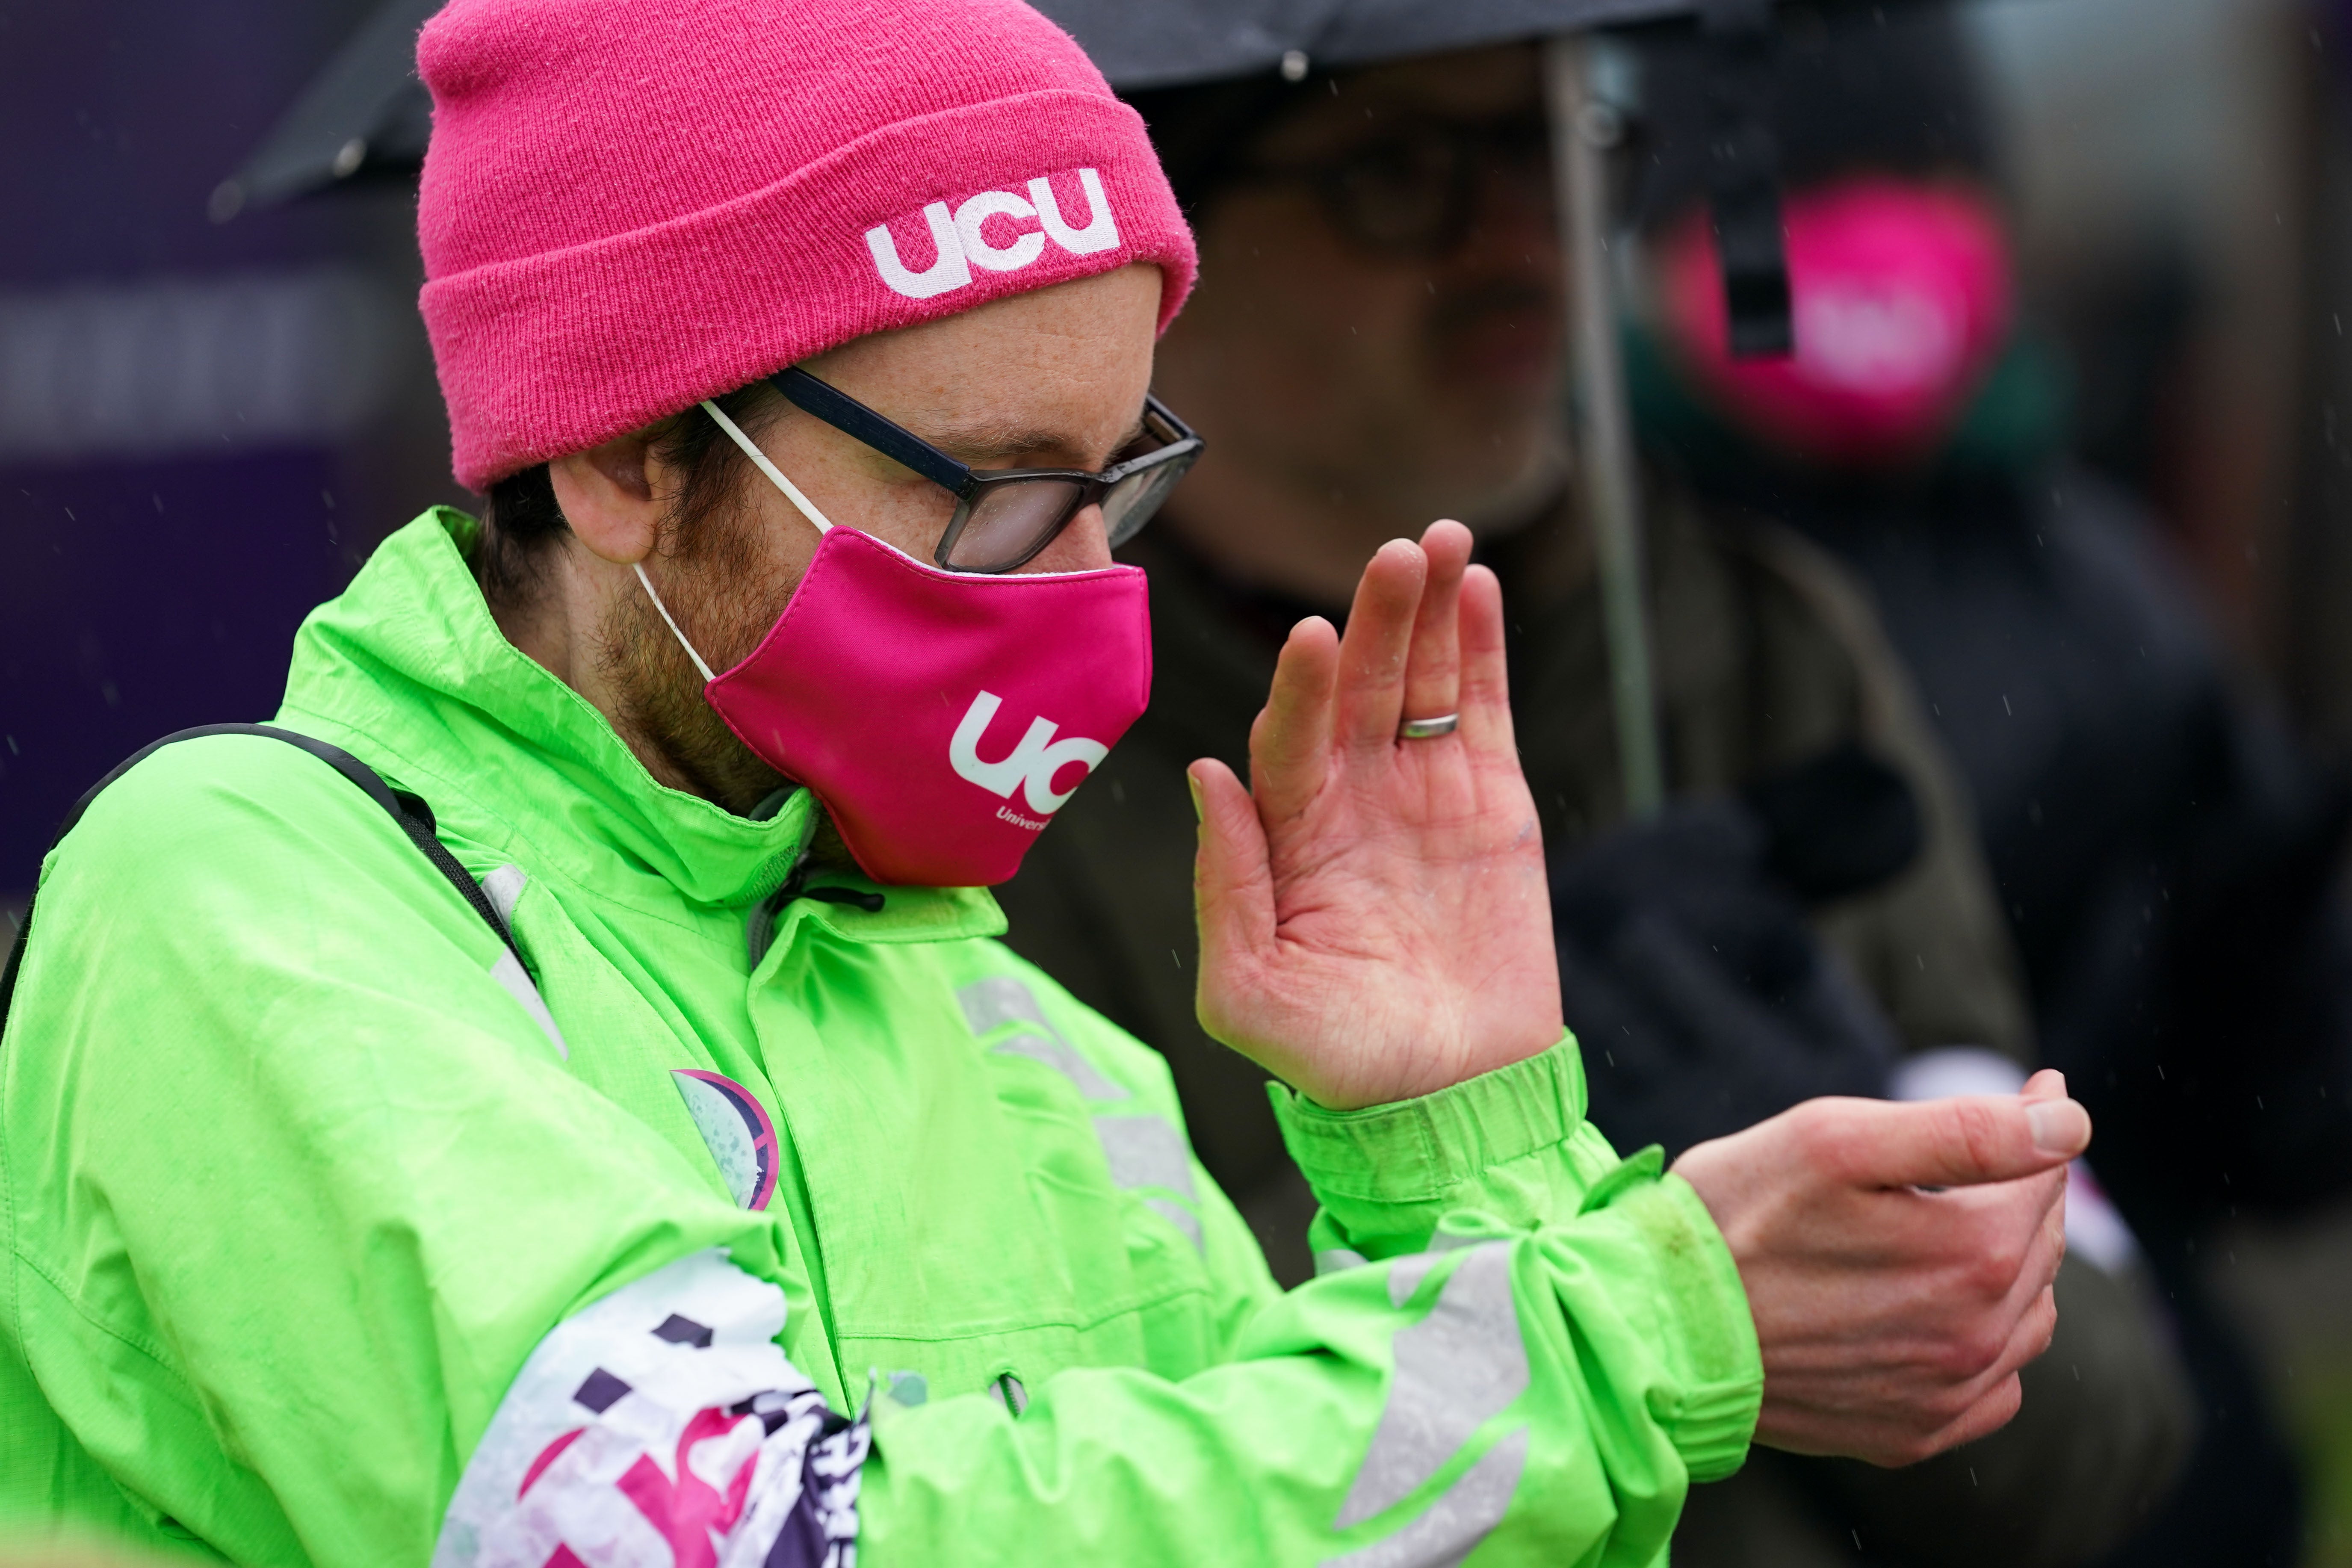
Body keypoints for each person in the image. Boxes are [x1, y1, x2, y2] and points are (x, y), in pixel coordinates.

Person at [1, 2, 2089, 1565]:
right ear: (618, 458)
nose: (1091, 592)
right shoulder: (253, 896)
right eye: (993, 495)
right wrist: (1616, 1326)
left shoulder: (991, 1015)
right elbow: (764, 1535)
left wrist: (1447, 1147)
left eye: (1118, 482)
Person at [993, 32, 2188, 1568]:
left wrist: (1810, 1125)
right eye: (1398, 172)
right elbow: (1056, 1468)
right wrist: (1555, 1206)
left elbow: (2091, 1442)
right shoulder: (1012, 736)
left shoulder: (1759, 647)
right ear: (1169, 242)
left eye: (1558, 147)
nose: (1524, 233)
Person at [1624, 11, 2352, 1564]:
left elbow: (2281, 1080)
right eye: (1801, 195)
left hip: (2114, 1419)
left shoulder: (2102, 585)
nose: (1863, 258)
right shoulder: (1588, 596)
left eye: (1913, 181)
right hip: (1728, 1430)